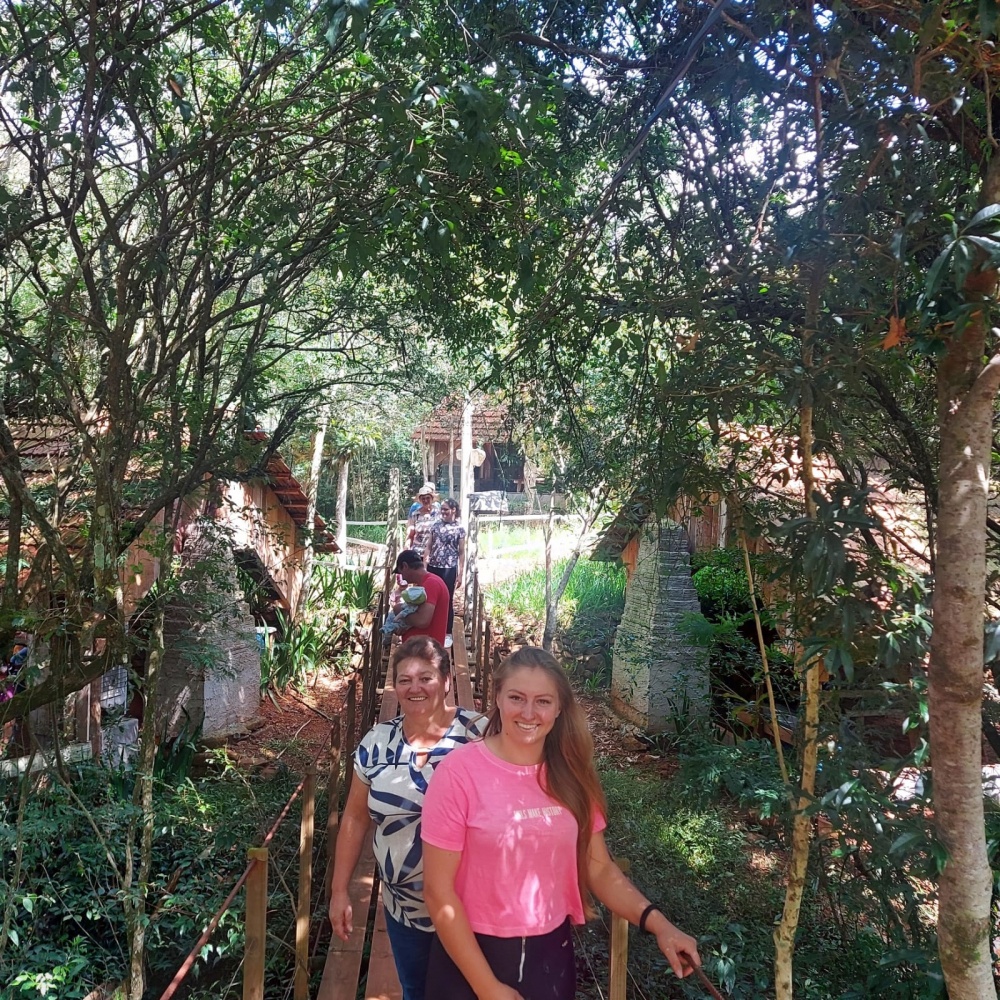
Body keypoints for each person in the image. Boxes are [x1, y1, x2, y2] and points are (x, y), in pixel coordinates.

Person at [422, 647, 702, 1000]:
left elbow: (599, 869)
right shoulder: (457, 773)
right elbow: (438, 890)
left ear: (558, 708)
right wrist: (487, 987)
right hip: (470, 958)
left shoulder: (571, 776)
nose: (528, 713)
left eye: (542, 701)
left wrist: (661, 926)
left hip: (550, 955)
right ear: (498, 697)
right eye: (516, 698)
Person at [328, 637, 486, 1000]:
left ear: (447, 680)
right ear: (395, 687)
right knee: (416, 991)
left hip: (470, 908)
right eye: (405, 679)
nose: (415, 687)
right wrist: (339, 891)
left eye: (426, 677)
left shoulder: (479, 734)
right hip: (404, 911)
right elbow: (354, 818)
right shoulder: (376, 742)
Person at [426, 498, 466, 648]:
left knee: (447, 599)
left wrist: (460, 574)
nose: (443, 512)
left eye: (446, 509)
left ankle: (447, 632)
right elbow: (429, 546)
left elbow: (461, 552)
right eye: (442, 509)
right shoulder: (435, 525)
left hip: (449, 568)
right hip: (433, 567)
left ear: (453, 510)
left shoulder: (459, 529)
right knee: (430, 599)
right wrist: (424, 563)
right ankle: (430, 628)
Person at [393, 549, 450, 646]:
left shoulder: (431, 583)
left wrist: (399, 610)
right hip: (419, 648)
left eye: (401, 573)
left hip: (425, 650)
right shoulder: (425, 584)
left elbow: (422, 621)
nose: (403, 577)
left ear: (405, 566)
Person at [407, 483, 439, 557]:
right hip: (418, 552)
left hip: (434, 552)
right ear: (420, 500)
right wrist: (407, 547)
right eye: (423, 498)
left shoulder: (438, 513)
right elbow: (410, 534)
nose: (425, 500)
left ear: (432, 498)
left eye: (428, 498)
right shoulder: (415, 514)